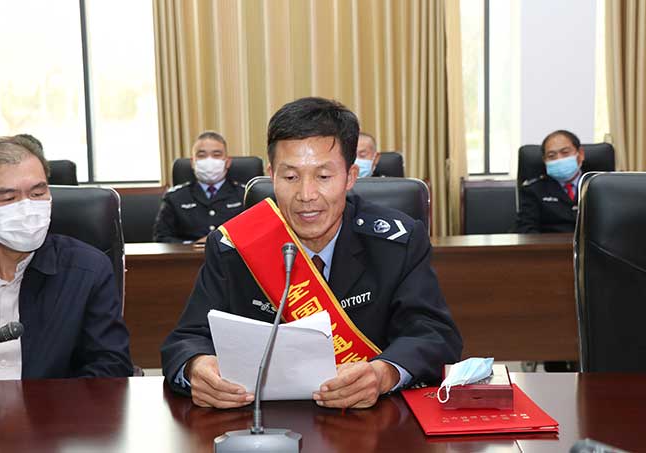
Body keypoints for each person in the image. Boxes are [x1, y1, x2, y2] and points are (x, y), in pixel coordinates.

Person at [161, 97, 462, 409]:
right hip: (259, 418)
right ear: (271, 175)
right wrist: (196, 367)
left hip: (370, 419)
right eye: (290, 177)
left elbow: (435, 336)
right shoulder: (234, 247)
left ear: (350, 176)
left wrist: (383, 373)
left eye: (323, 176)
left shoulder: (397, 243)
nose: (306, 195)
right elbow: (185, 340)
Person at [0, 135, 133, 380]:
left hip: (50, 402)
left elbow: (110, 367)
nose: (27, 208)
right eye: (9, 198)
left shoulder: (88, 270)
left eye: (37, 193)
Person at [153, 131, 245, 243]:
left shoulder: (244, 195)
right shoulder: (174, 197)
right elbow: (161, 238)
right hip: (188, 254)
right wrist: (192, 246)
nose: (209, 161)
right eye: (201, 155)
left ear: (227, 162)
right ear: (193, 163)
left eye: (216, 155)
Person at [515, 130, 585, 233]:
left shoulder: (598, 186)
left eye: (565, 152)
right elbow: (526, 229)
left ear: (581, 154)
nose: (559, 159)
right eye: (551, 156)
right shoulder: (533, 190)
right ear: (545, 160)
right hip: (548, 243)